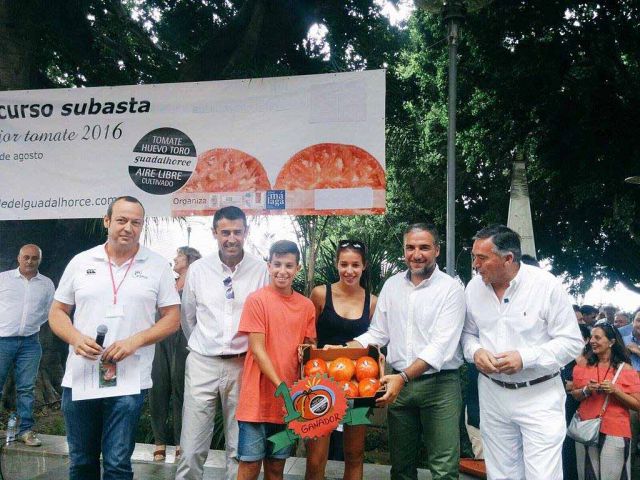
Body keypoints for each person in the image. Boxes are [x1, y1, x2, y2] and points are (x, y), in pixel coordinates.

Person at [49, 196, 181, 480]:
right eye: (121, 220)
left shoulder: (156, 265)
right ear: (107, 222)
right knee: (82, 461)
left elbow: (172, 318)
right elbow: (57, 312)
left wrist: (135, 341)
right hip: (81, 377)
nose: (128, 228)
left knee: (118, 463)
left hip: (129, 379)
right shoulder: (81, 262)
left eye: (136, 222)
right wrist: (74, 337)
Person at [337, 223, 465, 480]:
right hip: (397, 388)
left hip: (439, 387)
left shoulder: (451, 289)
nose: (416, 254)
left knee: (443, 468)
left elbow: (440, 347)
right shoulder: (392, 286)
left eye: (424, 247)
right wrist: (340, 350)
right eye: (410, 247)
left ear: (437, 250)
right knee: (402, 468)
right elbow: (378, 334)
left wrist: (403, 377)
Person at [462, 225, 583, 480]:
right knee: (500, 474)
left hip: (539, 395)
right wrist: (475, 352)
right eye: (474, 257)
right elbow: (468, 334)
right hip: (492, 393)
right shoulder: (473, 289)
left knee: (542, 475)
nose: (475, 264)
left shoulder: (545, 286)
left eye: (482, 258)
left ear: (508, 258)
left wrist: (525, 358)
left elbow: (572, 342)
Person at [176, 206, 269, 480]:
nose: (231, 238)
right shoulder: (198, 270)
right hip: (202, 363)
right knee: (192, 446)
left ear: (246, 233)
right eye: (225, 232)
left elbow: (265, 317)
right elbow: (187, 318)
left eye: (237, 232)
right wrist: (207, 344)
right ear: (214, 232)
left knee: (238, 445)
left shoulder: (260, 270)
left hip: (244, 364)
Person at [236, 240, 316, 480]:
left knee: (276, 468)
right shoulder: (256, 300)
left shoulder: (307, 306)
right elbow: (258, 350)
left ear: (297, 268)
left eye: (289, 265)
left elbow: (310, 348)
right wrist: (281, 386)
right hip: (257, 401)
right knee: (249, 466)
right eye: (277, 264)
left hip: (288, 404)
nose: (283, 271)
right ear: (268, 266)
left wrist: (307, 351)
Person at [305, 239, 378, 480]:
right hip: (321, 384)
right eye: (344, 264)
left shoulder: (373, 301)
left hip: (360, 385)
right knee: (316, 459)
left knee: (355, 455)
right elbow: (309, 337)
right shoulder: (320, 293)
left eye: (355, 265)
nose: (349, 271)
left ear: (364, 266)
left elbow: (375, 342)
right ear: (336, 265)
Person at [150, 246, 201, 462]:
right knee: (158, 388)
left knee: (181, 389)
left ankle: (181, 443)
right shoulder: (168, 283)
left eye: (179, 256)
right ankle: (159, 442)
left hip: (185, 339)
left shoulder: (197, 282)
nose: (174, 258)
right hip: (161, 337)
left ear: (189, 259)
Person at [0, 244, 54, 446]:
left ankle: (26, 431)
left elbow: (50, 311)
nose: (30, 261)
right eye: (26, 257)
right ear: (18, 258)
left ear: (39, 260)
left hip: (30, 343)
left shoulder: (46, 284)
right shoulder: (3, 279)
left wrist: (31, 325)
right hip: (2, 340)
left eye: (34, 258)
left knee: (26, 388)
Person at [571, 323, 640, 479]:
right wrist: (586, 390)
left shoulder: (626, 369)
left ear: (611, 342)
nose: (592, 341)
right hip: (586, 428)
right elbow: (575, 394)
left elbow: (637, 404)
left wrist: (615, 390)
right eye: (592, 337)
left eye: (598, 337)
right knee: (587, 475)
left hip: (614, 430)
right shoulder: (584, 366)